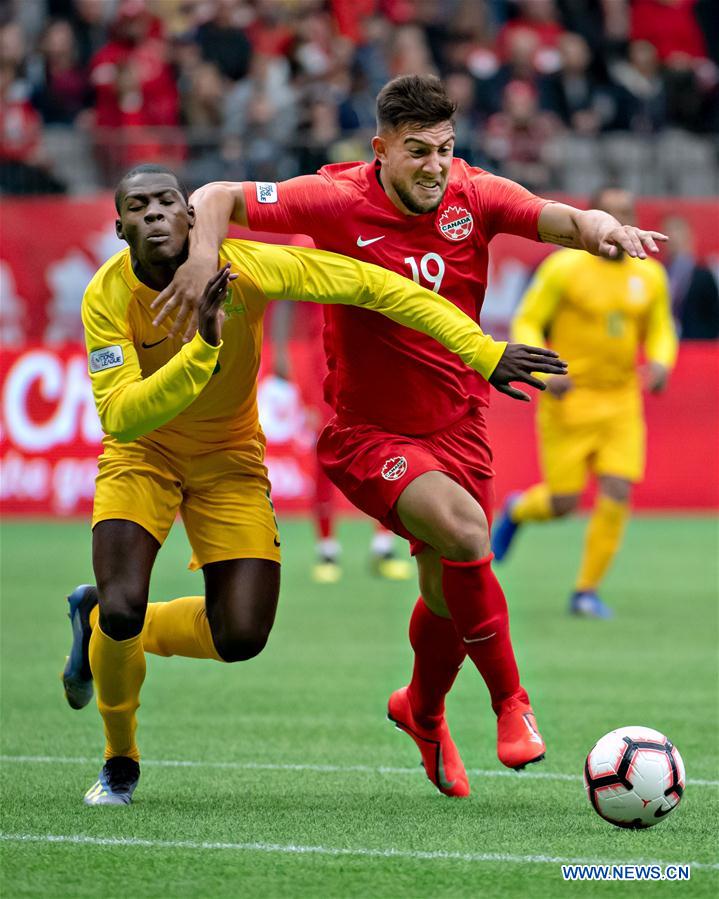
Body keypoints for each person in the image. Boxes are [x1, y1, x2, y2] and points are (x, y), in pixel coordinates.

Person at [152, 75, 667, 798]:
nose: (434, 165)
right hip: (369, 430)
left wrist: (601, 228)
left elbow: (555, 216)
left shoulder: (473, 194)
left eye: (446, 149)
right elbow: (215, 197)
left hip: (460, 425)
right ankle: (509, 704)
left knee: (451, 593)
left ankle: (420, 710)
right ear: (381, 150)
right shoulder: (335, 198)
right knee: (464, 533)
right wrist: (203, 257)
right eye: (417, 150)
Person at [64, 162, 565, 807]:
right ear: (119, 226)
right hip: (142, 459)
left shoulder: (249, 268)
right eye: (139, 206)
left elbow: (375, 287)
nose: (156, 213)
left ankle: (99, 618)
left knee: (239, 636)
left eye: (168, 201)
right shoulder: (105, 297)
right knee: (128, 603)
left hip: (230, 463)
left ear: (193, 217)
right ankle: (119, 761)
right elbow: (122, 414)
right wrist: (204, 350)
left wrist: (482, 350)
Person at [492, 187, 677, 618]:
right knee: (563, 502)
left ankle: (585, 591)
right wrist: (544, 369)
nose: (618, 223)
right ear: (591, 219)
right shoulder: (564, 268)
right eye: (609, 214)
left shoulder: (649, 276)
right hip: (569, 400)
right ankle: (519, 510)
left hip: (621, 401)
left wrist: (662, 362)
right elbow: (528, 320)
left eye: (625, 213)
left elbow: (662, 329)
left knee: (617, 487)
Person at [270, 300, 413, 583]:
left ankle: (384, 547)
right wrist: (280, 352)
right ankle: (326, 550)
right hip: (322, 364)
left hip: (370, 362)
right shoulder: (308, 254)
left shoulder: (368, 254)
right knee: (326, 448)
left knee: (383, 448)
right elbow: (285, 299)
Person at [662, 214, 719, 340]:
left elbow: (713, 316)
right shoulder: (659, 272)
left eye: (678, 230)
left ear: (689, 237)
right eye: (668, 231)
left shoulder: (703, 275)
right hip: (666, 342)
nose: (673, 236)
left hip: (696, 344)